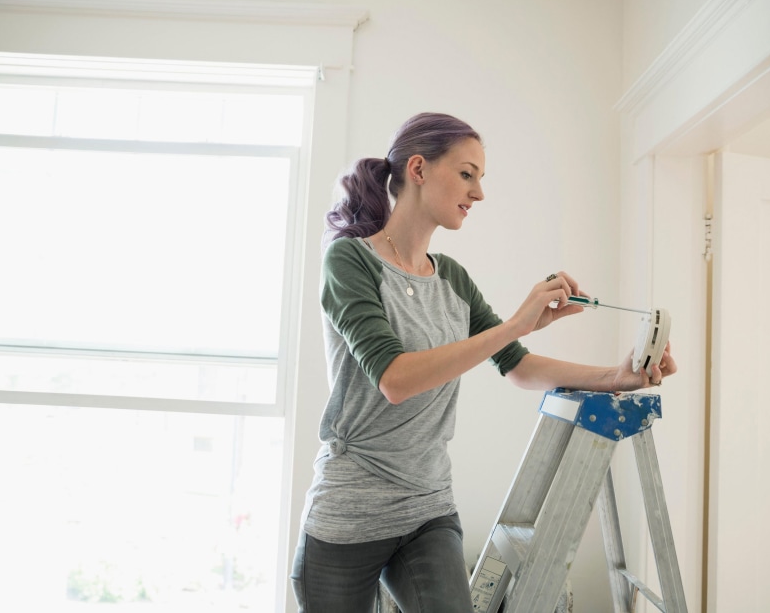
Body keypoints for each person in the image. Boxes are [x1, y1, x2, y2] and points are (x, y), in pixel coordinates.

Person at [289, 112, 677, 613]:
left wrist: (616, 376)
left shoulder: (450, 276)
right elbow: (395, 379)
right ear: (419, 169)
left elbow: (516, 365)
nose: (479, 193)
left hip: (426, 508)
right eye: (467, 174)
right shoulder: (349, 262)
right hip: (347, 514)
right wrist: (513, 324)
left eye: (480, 179)